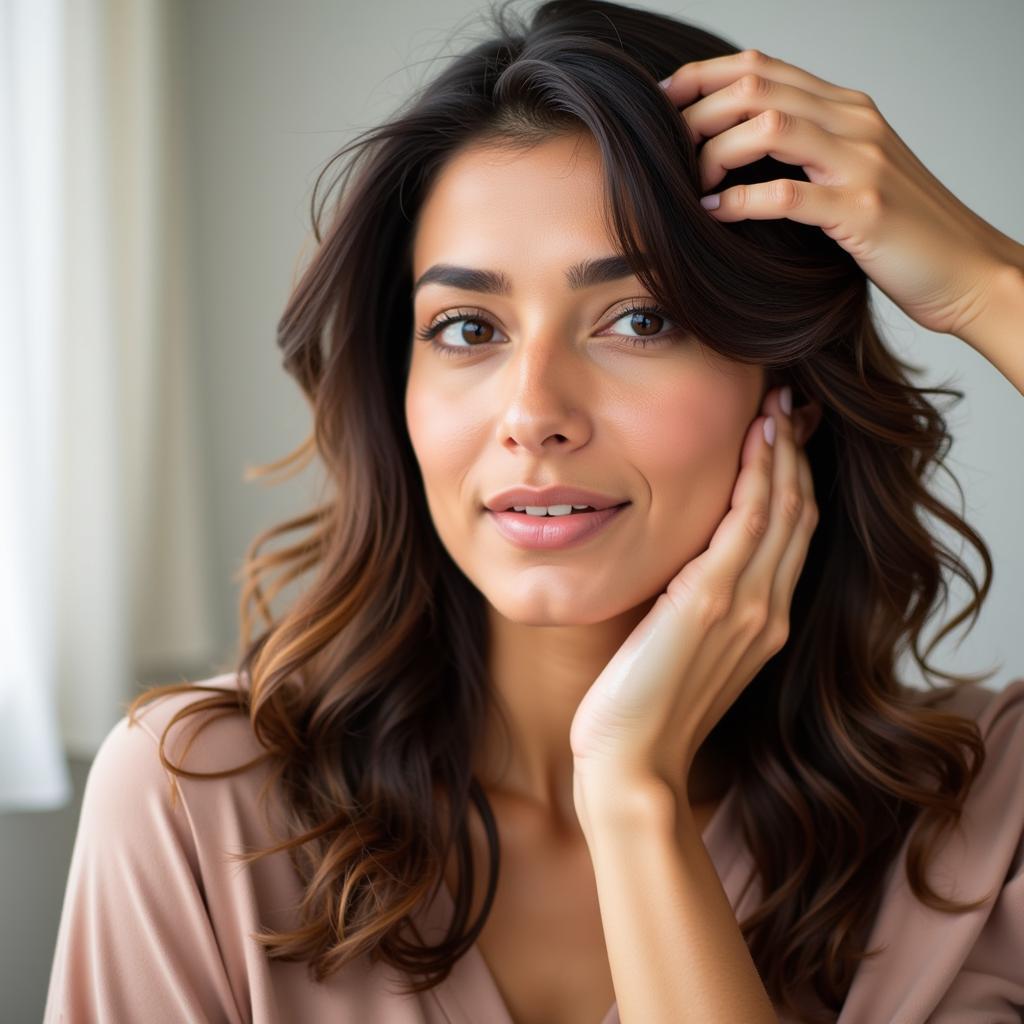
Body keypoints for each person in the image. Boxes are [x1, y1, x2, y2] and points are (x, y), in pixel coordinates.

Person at [44, 1, 1024, 1022]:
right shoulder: (197, 802)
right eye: (467, 326)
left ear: (792, 390)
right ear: (400, 391)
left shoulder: (978, 824)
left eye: (639, 318)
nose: (533, 415)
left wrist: (987, 280)